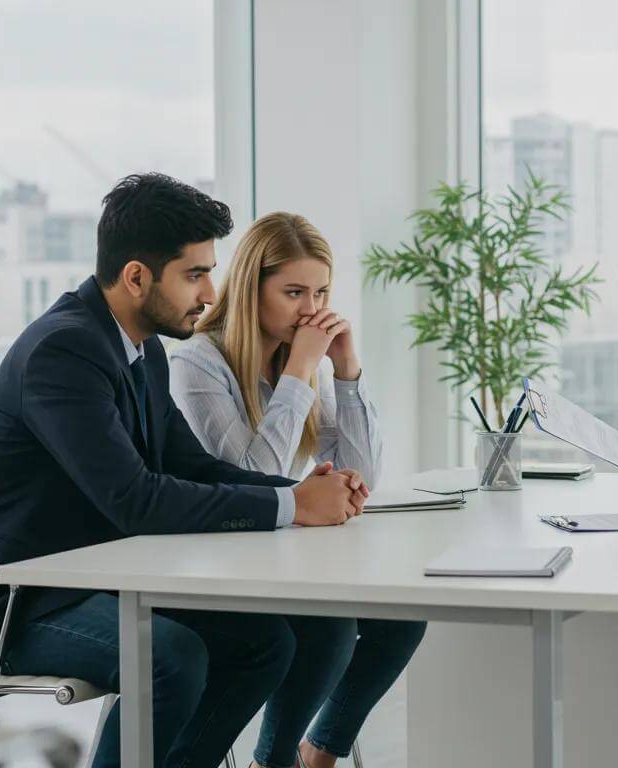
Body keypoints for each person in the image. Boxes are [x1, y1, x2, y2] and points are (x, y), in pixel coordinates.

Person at [0, 174, 368, 768]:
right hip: (12, 602)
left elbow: (194, 466)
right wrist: (293, 507)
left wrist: (301, 491)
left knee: (264, 643)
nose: (211, 293)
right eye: (194, 274)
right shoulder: (65, 352)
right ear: (136, 277)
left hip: (86, 580)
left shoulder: (140, 348)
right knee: (169, 656)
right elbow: (135, 500)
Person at [170, 212, 425, 768]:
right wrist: (301, 370)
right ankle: (275, 758)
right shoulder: (198, 363)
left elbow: (361, 473)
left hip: (273, 554)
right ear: (249, 289)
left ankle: (319, 752)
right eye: (292, 292)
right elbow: (247, 475)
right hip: (213, 560)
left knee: (402, 616)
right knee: (330, 629)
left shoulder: (297, 358)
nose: (311, 309)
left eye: (321, 292)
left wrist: (347, 372)